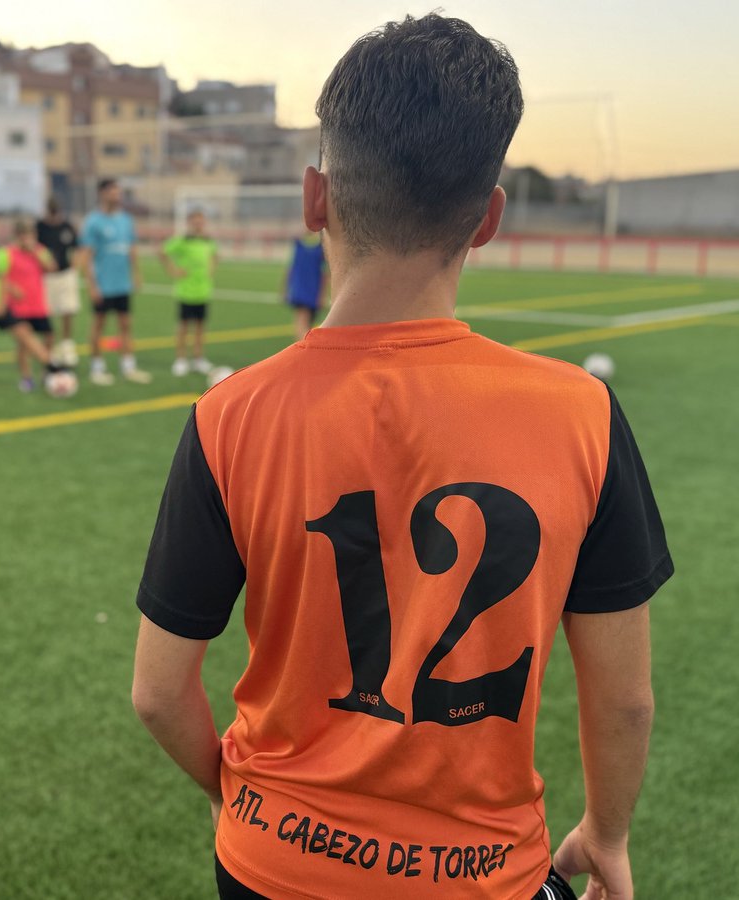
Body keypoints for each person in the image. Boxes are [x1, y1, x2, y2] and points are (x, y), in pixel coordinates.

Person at [132, 14, 671, 900]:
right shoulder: (583, 413)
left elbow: (158, 692)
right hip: (481, 874)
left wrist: (258, 807)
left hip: (269, 864)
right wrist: (606, 832)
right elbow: (625, 700)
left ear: (315, 199)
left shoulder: (229, 415)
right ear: (489, 219)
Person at [79, 178, 151, 386]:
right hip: (103, 284)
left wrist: (136, 273)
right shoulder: (93, 221)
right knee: (98, 326)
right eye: (112, 191)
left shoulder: (126, 220)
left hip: (122, 284)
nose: (117, 195)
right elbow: (87, 255)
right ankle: (97, 368)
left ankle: (128, 366)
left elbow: (132, 249)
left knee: (126, 325)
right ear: (102, 193)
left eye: (118, 192)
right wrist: (92, 285)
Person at [6, 218, 59, 392]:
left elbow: (52, 268)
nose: (28, 238)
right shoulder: (8, 253)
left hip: (39, 304)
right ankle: (26, 378)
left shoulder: (40, 251)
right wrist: (11, 288)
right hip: (19, 306)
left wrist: (35, 253)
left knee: (49, 338)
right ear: (18, 236)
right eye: (25, 235)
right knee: (24, 344)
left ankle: (46, 371)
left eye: (31, 235)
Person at [162, 209, 218, 376]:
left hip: (203, 291)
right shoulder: (182, 240)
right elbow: (163, 252)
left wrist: (211, 268)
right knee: (183, 327)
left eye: (201, 221)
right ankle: (180, 360)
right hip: (186, 291)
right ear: (189, 223)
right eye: (195, 221)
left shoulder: (208, 241)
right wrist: (173, 270)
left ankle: (198, 359)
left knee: (200, 327)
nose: (198, 224)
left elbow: (215, 256)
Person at [37, 197, 81, 366]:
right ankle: (50, 347)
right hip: (46, 276)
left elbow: (76, 247)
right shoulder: (40, 226)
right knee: (47, 312)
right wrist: (46, 262)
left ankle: (67, 345)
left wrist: (74, 267)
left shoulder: (67, 227)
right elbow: (36, 247)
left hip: (65, 273)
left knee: (67, 309)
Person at [284, 231, 329, 341]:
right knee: (303, 323)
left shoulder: (314, 249)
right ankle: (304, 348)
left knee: (302, 324)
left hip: (305, 289)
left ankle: (304, 348)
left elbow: (290, 269)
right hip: (307, 290)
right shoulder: (316, 249)